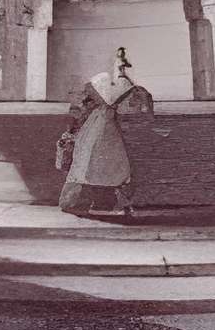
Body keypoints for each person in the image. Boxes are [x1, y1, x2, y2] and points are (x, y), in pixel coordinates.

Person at [56, 48, 153, 218]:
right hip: (99, 133)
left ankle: (107, 203)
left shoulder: (115, 94)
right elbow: (113, 96)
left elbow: (122, 98)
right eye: (121, 65)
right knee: (95, 169)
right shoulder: (103, 91)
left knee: (107, 169)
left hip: (106, 133)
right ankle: (90, 204)